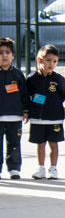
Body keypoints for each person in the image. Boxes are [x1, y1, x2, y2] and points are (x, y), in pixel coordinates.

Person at [25, 45, 65, 180]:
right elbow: (27, 95)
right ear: (40, 60)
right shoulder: (32, 78)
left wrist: (54, 103)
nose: (52, 64)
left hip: (54, 118)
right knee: (40, 144)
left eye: (55, 61)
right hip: (38, 118)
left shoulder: (58, 79)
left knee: (53, 143)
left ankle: (53, 168)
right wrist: (28, 111)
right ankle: (41, 168)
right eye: (48, 60)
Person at [0, 37, 27, 179]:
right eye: (0, 52)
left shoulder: (17, 74)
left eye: (7, 52)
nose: (4, 55)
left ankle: (14, 168)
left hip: (15, 116)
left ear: (13, 55)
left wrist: (26, 110)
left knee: (14, 143)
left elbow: (24, 94)